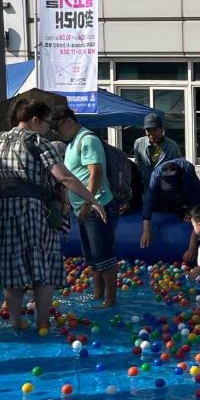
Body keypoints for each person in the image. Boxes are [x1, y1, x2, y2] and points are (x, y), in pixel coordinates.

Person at [0, 100, 106, 331]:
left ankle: (15, 322)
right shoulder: (37, 141)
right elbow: (65, 177)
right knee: (44, 265)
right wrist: (92, 200)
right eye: (46, 124)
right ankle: (42, 322)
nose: (48, 129)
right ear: (35, 120)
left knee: (12, 266)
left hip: (0, 211)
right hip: (31, 210)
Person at [52, 106, 119, 307]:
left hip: (98, 206)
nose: (56, 132)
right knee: (92, 255)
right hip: (83, 207)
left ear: (68, 122)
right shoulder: (72, 142)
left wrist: (89, 203)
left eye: (57, 128)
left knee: (103, 253)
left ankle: (110, 299)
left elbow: (95, 173)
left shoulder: (87, 140)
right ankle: (99, 293)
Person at [140, 157, 200, 249]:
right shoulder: (156, 175)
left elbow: (196, 191)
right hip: (167, 199)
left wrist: (191, 210)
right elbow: (149, 200)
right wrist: (146, 230)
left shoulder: (188, 170)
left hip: (186, 194)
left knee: (193, 213)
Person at [132, 112, 180, 193]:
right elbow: (138, 166)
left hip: (165, 190)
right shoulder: (139, 143)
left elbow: (178, 169)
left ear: (162, 129)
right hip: (146, 189)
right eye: (148, 130)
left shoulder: (172, 146)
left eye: (154, 129)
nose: (152, 134)